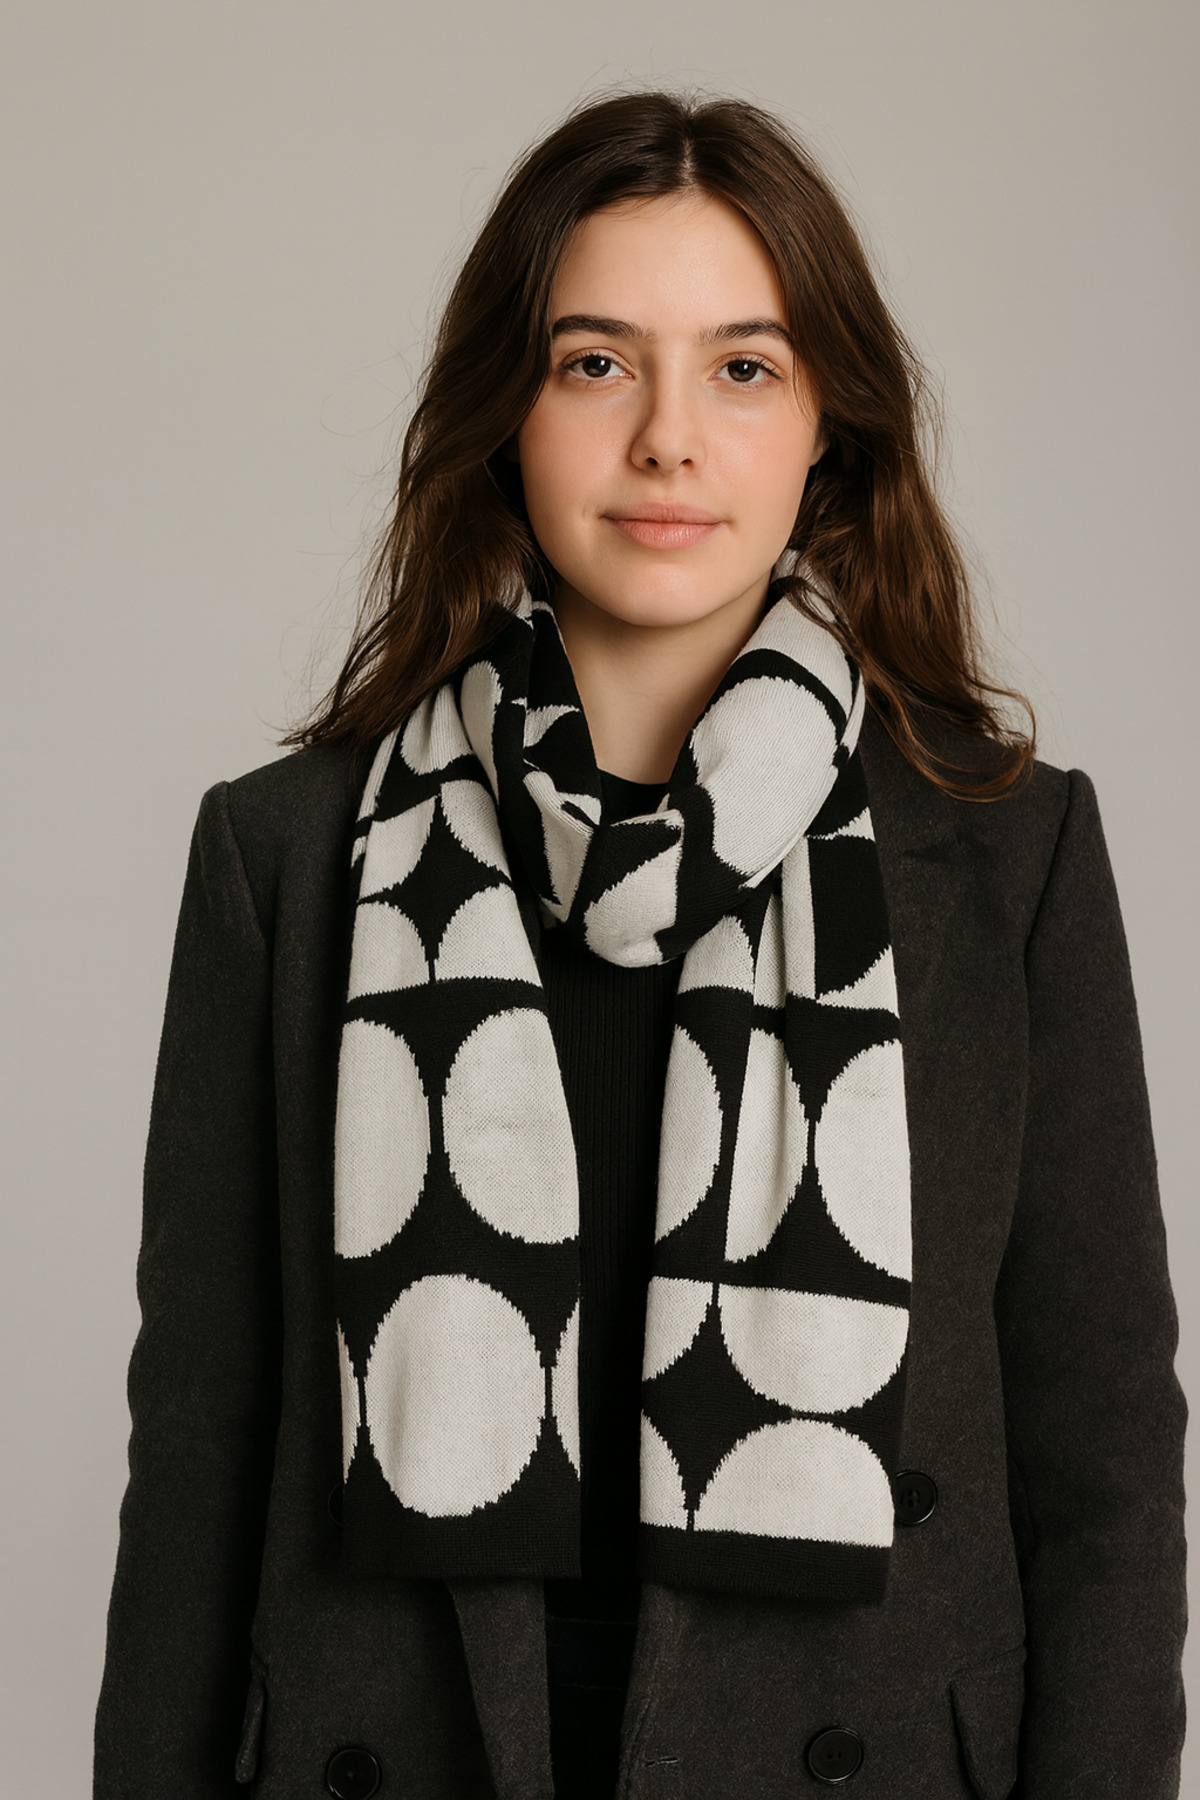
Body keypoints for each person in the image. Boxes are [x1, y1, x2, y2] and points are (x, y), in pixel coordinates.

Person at [93, 89, 1186, 1800]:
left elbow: (1105, 1456)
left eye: (744, 367)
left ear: (827, 423)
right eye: (596, 363)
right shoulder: (289, 855)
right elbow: (201, 1452)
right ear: (504, 414)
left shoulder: (1005, 853)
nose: (669, 439)